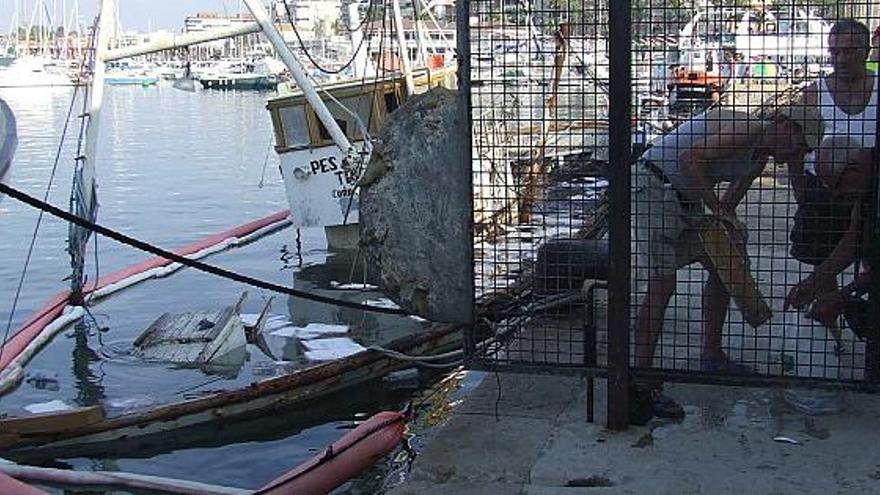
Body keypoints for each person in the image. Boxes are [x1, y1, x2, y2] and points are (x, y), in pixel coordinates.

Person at [632, 105, 824, 392]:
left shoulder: (758, 161)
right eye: (800, 147)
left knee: (726, 262)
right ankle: (639, 376)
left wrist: (729, 227)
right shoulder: (750, 129)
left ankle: (712, 354)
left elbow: (728, 205)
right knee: (663, 284)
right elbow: (690, 159)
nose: (797, 157)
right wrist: (719, 210)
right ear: (785, 127)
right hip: (653, 186)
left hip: (685, 198)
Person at [785, 19, 877, 312]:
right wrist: (801, 192)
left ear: (866, 50)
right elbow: (795, 149)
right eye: (834, 52)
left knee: (870, 254)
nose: (841, 59)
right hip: (823, 187)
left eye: (849, 51)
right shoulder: (814, 93)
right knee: (823, 257)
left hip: (869, 186)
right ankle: (827, 328)